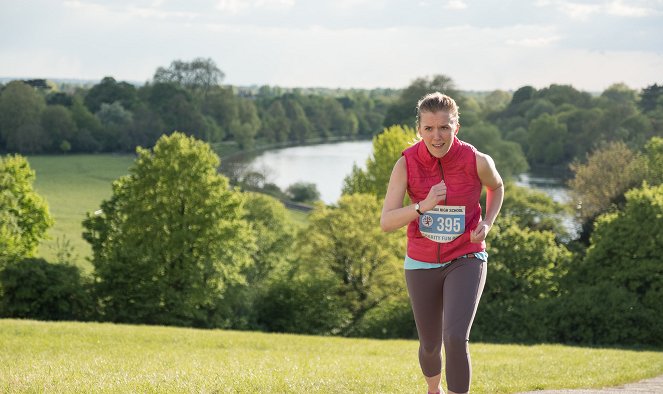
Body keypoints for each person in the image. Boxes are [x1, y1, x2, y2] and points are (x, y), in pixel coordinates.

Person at [380, 92, 504, 394]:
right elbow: (387, 222)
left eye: (444, 128)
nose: (437, 136)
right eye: (429, 129)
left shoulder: (477, 160)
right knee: (431, 344)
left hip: (466, 257)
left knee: (455, 338)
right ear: (419, 130)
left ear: (456, 127)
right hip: (421, 262)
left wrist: (486, 223)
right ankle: (433, 390)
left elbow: (496, 187)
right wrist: (422, 206)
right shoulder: (406, 164)